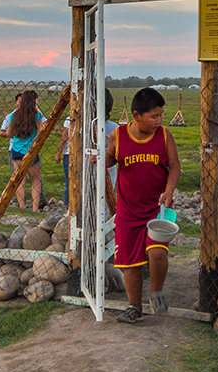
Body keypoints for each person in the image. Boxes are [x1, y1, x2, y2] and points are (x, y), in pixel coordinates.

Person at [105, 87, 180, 324]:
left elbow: (175, 166)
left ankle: (156, 292)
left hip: (156, 209)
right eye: (154, 116)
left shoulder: (165, 136)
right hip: (127, 210)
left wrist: (169, 191)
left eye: (161, 115)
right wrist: (98, 158)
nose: (159, 120)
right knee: (130, 263)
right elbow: (110, 157)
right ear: (136, 115)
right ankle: (134, 307)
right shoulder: (118, 135)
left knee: (157, 253)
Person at [58, 89, 118, 199]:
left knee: (78, 195)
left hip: (82, 166)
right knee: (102, 200)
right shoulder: (114, 128)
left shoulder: (74, 122)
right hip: (106, 171)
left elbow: (65, 136)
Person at [1, 90, 47, 212]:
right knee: (35, 179)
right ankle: (35, 208)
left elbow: (9, 133)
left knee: (19, 179)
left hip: (16, 150)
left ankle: (22, 206)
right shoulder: (36, 115)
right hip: (31, 151)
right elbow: (42, 131)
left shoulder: (14, 115)